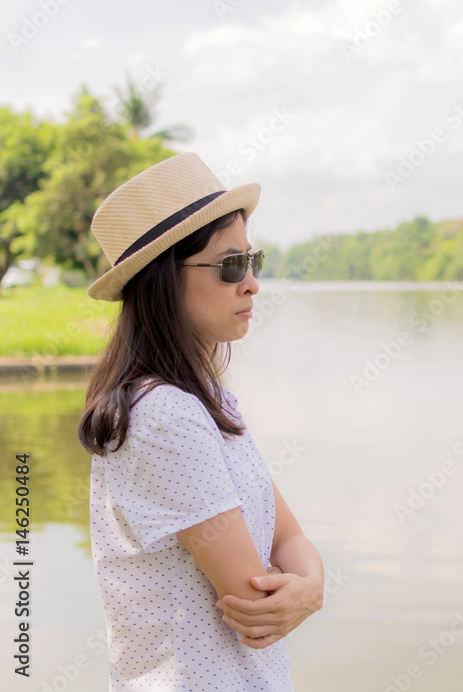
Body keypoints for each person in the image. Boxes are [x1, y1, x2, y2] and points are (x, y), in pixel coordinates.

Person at [76, 152, 324, 690]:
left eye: (253, 261)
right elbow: (255, 605)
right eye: (230, 265)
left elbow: (290, 538)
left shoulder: (210, 399)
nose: (252, 283)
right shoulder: (163, 414)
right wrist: (304, 588)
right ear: (164, 279)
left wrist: (312, 584)